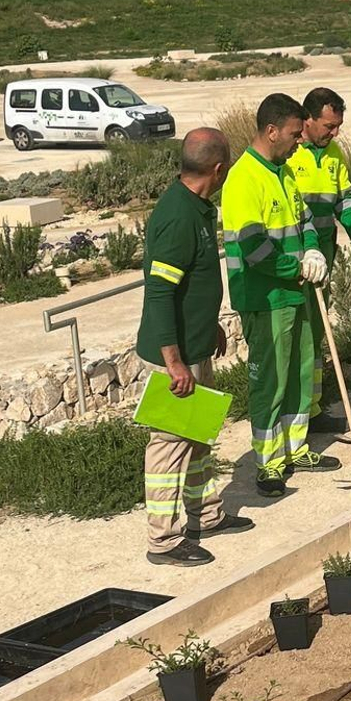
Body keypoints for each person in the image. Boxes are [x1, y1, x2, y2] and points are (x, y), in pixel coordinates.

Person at [137, 129, 254, 565]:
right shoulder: (178, 217)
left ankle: (205, 514)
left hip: (195, 346)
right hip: (176, 357)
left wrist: (209, 327)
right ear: (219, 169)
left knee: (199, 437)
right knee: (169, 444)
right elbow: (160, 293)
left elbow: (192, 284)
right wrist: (173, 361)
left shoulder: (198, 208)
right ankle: (164, 541)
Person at [219, 93, 338, 496]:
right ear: (271, 131)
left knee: (301, 373)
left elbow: (304, 221)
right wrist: (296, 267)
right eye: (293, 134)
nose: (299, 141)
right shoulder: (243, 179)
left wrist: (313, 250)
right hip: (265, 297)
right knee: (270, 380)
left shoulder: (284, 172)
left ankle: (296, 448)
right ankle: (268, 462)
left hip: (296, 292)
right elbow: (254, 248)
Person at [285, 84, 351, 430]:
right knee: (296, 335)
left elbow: (344, 201)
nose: (334, 133)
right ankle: (291, 414)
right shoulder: (289, 153)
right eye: (329, 126)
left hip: (324, 257)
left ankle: (313, 409)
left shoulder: (335, 154)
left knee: (316, 333)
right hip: (293, 261)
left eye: (338, 127)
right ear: (307, 120)